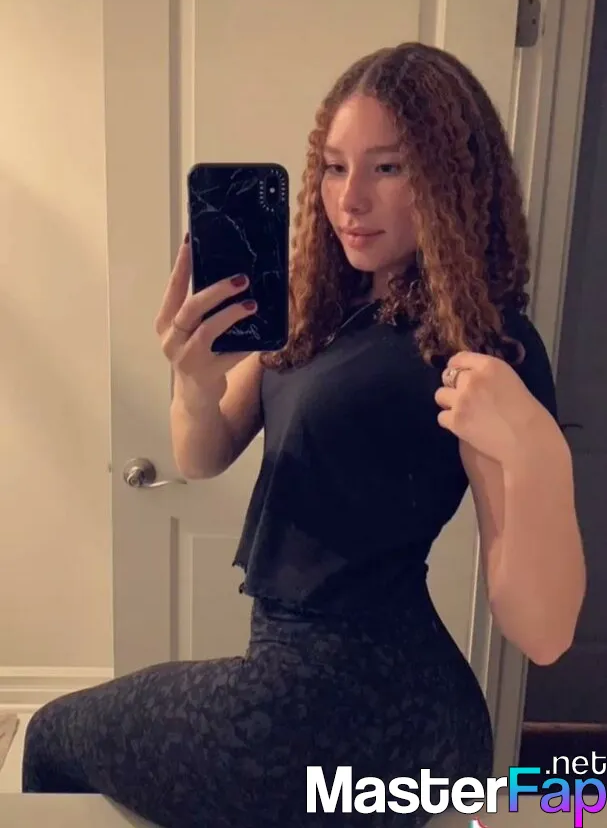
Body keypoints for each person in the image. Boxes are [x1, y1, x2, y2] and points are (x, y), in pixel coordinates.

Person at [22, 42, 585, 828]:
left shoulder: (481, 343)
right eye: (332, 167)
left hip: (337, 712)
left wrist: (538, 453)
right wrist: (193, 379)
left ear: (454, 179)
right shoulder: (318, 309)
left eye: (387, 167)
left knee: (50, 737)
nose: (349, 198)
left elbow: (543, 633)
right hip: (364, 699)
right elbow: (202, 454)